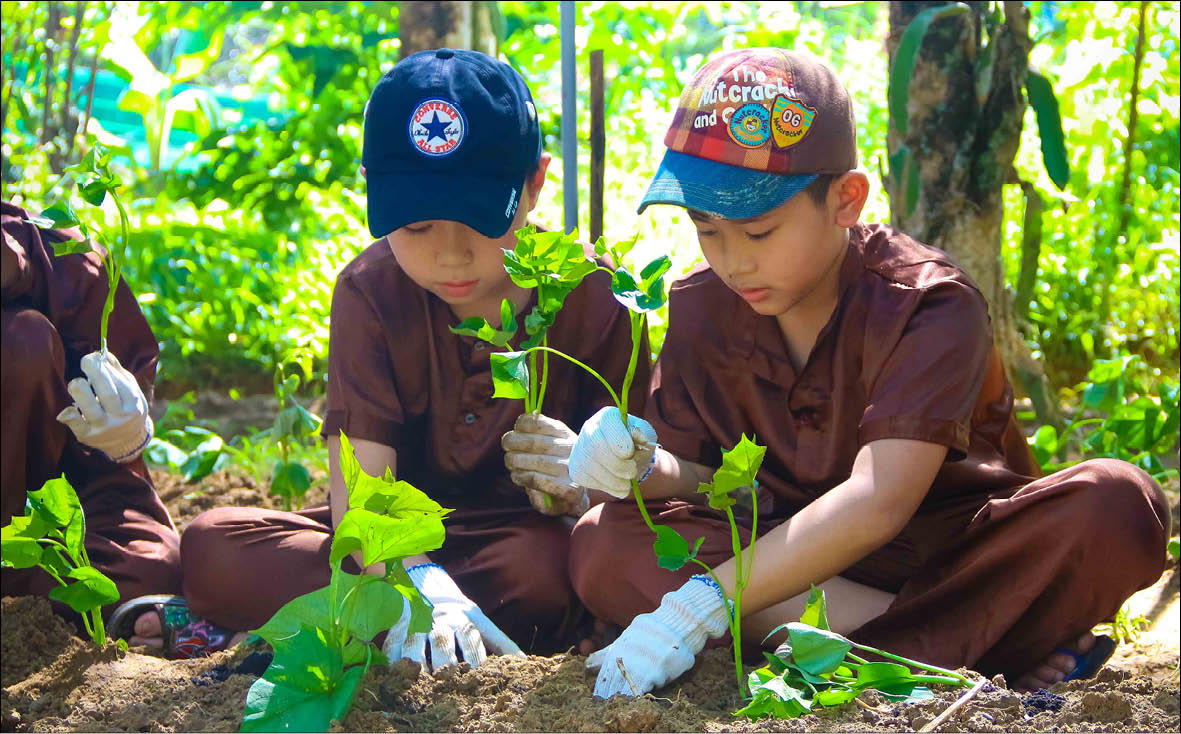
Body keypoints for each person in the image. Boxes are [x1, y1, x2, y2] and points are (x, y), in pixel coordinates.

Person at [509, 48, 1170, 695]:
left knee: (1118, 503)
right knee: (603, 545)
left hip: (945, 558)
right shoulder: (700, 306)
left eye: (759, 231)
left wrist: (700, 606)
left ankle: (887, 651)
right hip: (780, 554)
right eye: (706, 229)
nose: (732, 260)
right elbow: (707, 481)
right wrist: (638, 463)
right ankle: (976, 654)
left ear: (846, 199)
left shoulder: (926, 302)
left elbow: (878, 502)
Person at [175, 48, 648, 668]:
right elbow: (364, 496)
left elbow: (641, 490)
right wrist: (414, 581)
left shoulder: (593, 292)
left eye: (478, 222)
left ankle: (342, 628)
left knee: (550, 573)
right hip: (389, 548)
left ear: (535, 184)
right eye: (417, 227)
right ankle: (418, 621)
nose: (450, 255)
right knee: (213, 547)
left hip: (522, 545)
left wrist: (584, 483)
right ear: (371, 190)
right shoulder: (370, 292)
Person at [1, 198, 182, 646]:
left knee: (147, 567)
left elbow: (109, 476)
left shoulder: (62, 259)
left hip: (31, 529)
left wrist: (121, 439)